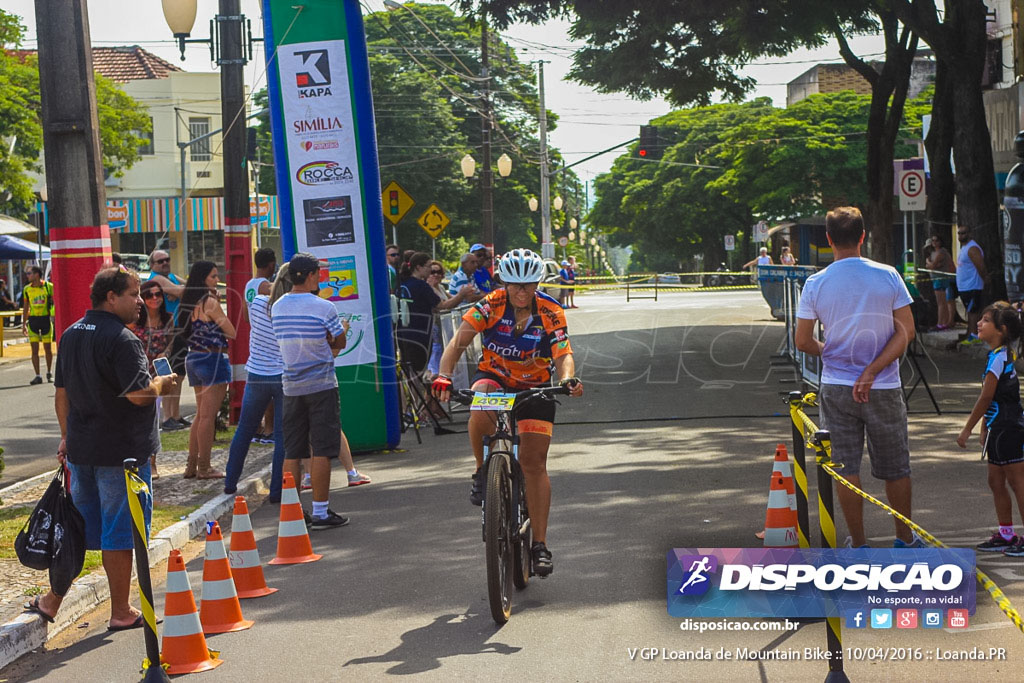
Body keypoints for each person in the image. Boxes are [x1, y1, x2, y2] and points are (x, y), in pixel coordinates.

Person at [25, 266, 175, 629]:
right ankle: (121, 611)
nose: (140, 302)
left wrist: (66, 437)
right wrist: (163, 384)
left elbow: (61, 395)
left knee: (75, 531)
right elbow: (140, 396)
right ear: (111, 297)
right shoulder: (122, 340)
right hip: (120, 456)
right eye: (134, 294)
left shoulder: (72, 333)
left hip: (82, 452)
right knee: (119, 533)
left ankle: (52, 600)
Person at [431, 248, 584, 576]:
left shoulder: (551, 310)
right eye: (515, 284)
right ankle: (481, 471)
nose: (521, 291)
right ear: (503, 281)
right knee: (479, 399)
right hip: (495, 378)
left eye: (529, 284)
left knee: (533, 464)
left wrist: (568, 378)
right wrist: (444, 375)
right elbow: (458, 343)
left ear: (537, 283)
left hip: (536, 387)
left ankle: (540, 544)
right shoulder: (489, 305)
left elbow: (563, 354)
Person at [795, 206, 919, 549]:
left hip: (836, 386)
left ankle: (859, 542)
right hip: (884, 386)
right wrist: (873, 369)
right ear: (863, 236)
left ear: (829, 239)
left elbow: (802, 341)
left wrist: (831, 350)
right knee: (896, 466)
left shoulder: (816, 283)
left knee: (846, 466)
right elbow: (906, 329)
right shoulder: (889, 275)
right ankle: (905, 540)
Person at [271, 253, 351, 529]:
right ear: (311, 275)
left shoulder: (278, 306)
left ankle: (292, 512)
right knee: (322, 448)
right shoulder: (324, 307)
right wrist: (337, 332)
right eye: (318, 272)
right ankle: (320, 511)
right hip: (321, 385)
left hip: (291, 386)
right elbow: (338, 340)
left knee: (292, 450)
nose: (321, 277)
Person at [957, 302, 1024, 557]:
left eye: (985, 320)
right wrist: (986, 427)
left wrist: (967, 430)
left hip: (1010, 429)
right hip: (998, 430)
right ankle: (1006, 534)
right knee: (996, 481)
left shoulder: (1000, 357)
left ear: (1002, 330)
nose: (979, 323)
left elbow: (986, 398)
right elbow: (994, 400)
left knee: (1018, 483)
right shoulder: (997, 355)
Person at [225, 263, 287, 503]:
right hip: (283, 376)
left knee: (245, 429)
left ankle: (230, 483)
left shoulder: (259, 303)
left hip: (257, 375)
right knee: (282, 435)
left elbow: (247, 308)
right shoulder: (289, 308)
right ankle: (277, 492)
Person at [179, 261, 235, 479]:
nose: (216, 279)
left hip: (194, 357)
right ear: (203, 279)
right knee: (208, 417)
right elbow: (230, 331)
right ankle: (205, 467)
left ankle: (191, 465)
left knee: (200, 415)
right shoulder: (210, 302)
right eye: (213, 276)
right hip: (213, 358)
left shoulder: (191, 302)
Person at [397, 252, 471, 377]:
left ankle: (409, 396)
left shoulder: (402, 284)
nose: (431, 270)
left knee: (408, 371)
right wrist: (461, 295)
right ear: (418, 267)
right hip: (420, 334)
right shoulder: (421, 286)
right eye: (428, 266)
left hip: (402, 332)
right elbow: (442, 306)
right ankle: (419, 395)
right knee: (419, 371)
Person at [131, 279, 178, 457]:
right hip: (138, 371)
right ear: (142, 298)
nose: (154, 298)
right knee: (139, 416)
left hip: (157, 373)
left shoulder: (168, 318)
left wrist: (165, 353)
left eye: (158, 294)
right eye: (149, 295)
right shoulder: (135, 319)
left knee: (153, 417)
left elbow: (171, 341)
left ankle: (152, 461)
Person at [148, 249, 188, 427]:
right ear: (152, 265)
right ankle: (167, 417)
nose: (165, 263)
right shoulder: (156, 278)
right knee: (167, 375)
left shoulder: (170, 276)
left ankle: (176, 414)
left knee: (178, 375)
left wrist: (180, 291)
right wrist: (178, 291)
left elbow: (189, 287)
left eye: (167, 259)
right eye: (160, 261)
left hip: (179, 329)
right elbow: (182, 291)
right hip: (167, 331)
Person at [243, 247, 277, 443]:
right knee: (271, 391)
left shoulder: (249, 284)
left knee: (258, 390)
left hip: (255, 338)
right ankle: (269, 429)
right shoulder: (266, 285)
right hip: (269, 341)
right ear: (271, 264)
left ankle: (258, 428)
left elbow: (245, 315)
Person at [956, 225, 990, 344]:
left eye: (963, 233)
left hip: (973, 286)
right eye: (959, 233)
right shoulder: (964, 248)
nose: (961, 236)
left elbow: (980, 266)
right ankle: (970, 334)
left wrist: (985, 279)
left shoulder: (972, 248)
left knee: (973, 312)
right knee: (970, 312)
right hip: (964, 287)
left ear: (969, 233)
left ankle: (974, 335)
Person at [21, 265, 54, 385]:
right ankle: (37, 375)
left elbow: (55, 302)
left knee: (48, 349)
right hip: (33, 320)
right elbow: (26, 307)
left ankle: (49, 372)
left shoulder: (48, 286)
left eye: (30, 273)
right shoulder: (27, 289)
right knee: (34, 349)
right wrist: (23, 323)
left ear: (37, 274)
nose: (27, 275)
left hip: (45, 319)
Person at [925, 234, 956, 331]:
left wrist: (928, 262)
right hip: (935, 279)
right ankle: (944, 322)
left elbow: (932, 265)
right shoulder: (933, 253)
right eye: (933, 240)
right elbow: (930, 266)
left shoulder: (942, 252)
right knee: (942, 302)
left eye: (937, 240)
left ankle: (941, 323)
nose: (934, 243)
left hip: (941, 279)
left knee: (941, 302)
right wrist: (931, 264)